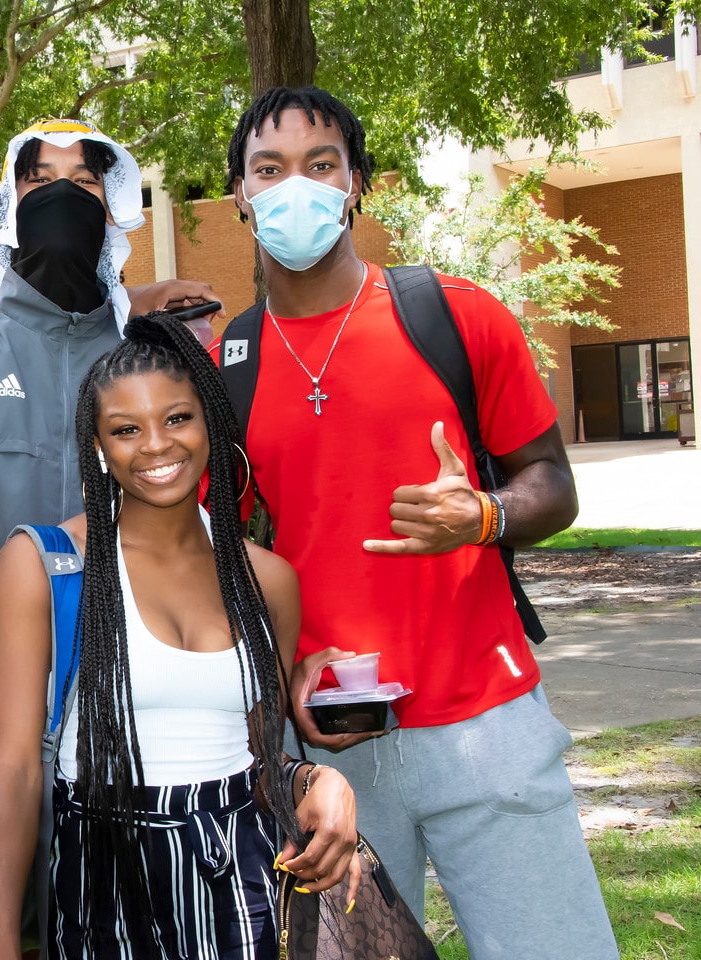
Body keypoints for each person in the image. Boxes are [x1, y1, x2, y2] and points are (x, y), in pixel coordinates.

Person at [215, 85, 617, 959]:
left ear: (355, 182)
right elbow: (219, 564)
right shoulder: (223, 370)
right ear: (241, 196)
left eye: (321, 165)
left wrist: (483, 513)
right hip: (329, 747)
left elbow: (551, 482)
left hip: (487, 720)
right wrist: (282, 679)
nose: (297, 187)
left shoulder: (454, 315)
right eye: (269, 169)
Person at [0, 314, 360, 959]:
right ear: (98, 445)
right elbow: (11, 774)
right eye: (126, 429)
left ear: (211, 421)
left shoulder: (267, 581)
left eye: (177, 418)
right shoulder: (44, 566)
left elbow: (259, 754)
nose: (156, 446)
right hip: (103, 871)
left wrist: (315, 781)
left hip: (245, 875)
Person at [0, 118, 224, 675]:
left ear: (109, 208)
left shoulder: (150, 359)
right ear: (9, 205)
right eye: (40, 182)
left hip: (136, 679)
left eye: (84, 182)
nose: (62, 196)